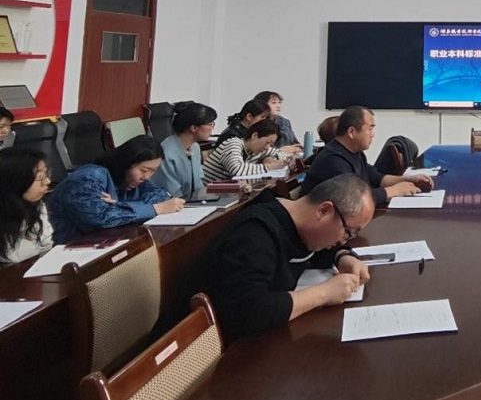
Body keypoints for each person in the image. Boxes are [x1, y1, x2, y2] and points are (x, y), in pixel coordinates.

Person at [151, 174, 375, 342]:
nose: (345, 240)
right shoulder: (255, 234)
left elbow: (310, 248)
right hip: (188, 356)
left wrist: (342, 255)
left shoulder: (294, 219)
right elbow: (251, 312)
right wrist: (324, 293)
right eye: (348, 232)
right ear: (324, 211)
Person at [46, 136, 185, 244]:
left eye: (153, 171)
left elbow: (162, 197)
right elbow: (99, 219)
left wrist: (120, 206)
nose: (147, 177)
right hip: (67, 249)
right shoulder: (89, 178)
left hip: (105, 244)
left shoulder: (134, 180)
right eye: (143, 170)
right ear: (127, 163)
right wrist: (155, 209)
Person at [301, 106, 432, 205]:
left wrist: (408, 179)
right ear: (352, 132)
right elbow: (354, 199)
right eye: (370, 129)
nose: (373, 134)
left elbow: (377, 178)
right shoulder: (333, 160)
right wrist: (394, 190)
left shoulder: (355, 152)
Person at [149, 102, 217, 198]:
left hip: (192, 201)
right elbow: (171, 192)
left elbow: (198, 184)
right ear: (194, 128)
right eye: (210, 124)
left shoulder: (195, 147)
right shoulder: (167, 152)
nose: (212, 128)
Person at [0, 148, 53, 264]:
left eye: (46, 173)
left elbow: (47, 245)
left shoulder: (37, 206)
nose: (47, 181)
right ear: (16, 181)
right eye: (39, 177)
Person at [203, 119, 289, 183]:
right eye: (268, 142)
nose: (267, 147)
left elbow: (281, 154)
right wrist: (269, 167)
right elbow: (237, 170)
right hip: (207, 194)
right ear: (255, 135)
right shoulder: (233, 144)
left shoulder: (257, 150)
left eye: (271, 144)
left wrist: (271, 158)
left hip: (227, 193)